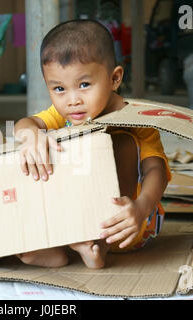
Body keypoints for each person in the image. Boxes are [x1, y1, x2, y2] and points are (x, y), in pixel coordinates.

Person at [14, 19, 171, 269]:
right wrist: (30, 135)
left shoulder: (136, 119)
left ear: (115, 78)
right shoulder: (63, 112)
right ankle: (63, 246)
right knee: (39, 150)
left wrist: (140, 209)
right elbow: (26, 122)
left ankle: (98, 246)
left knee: (120, 143)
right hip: (78, 214)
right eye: (59, 88)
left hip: (126, 224)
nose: (73, 100)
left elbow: (157, 171)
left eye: (84, 84)